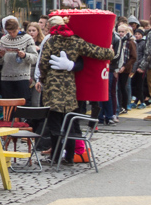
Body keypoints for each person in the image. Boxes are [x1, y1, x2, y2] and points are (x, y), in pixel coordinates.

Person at [36, 16, 115, 163]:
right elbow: (96, 52)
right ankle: (70, 157)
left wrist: (43, 77)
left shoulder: (50, 41)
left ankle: (55, 157)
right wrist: (110, 52)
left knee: (55, 124)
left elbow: (43, 63)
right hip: (69, 86)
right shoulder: (75, 40)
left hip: (53, 87)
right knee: (69, 122)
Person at [0, 17, 37, 102]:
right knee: (8, 106)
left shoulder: (27, 38)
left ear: (18, 28)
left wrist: (25, 55)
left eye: (13, 32)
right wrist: (0, 56)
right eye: (9, 32)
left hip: (22, 77)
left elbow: (34, 58)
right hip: (6, 78)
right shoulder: (4, 39)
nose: (11, 34)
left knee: (22, 105)